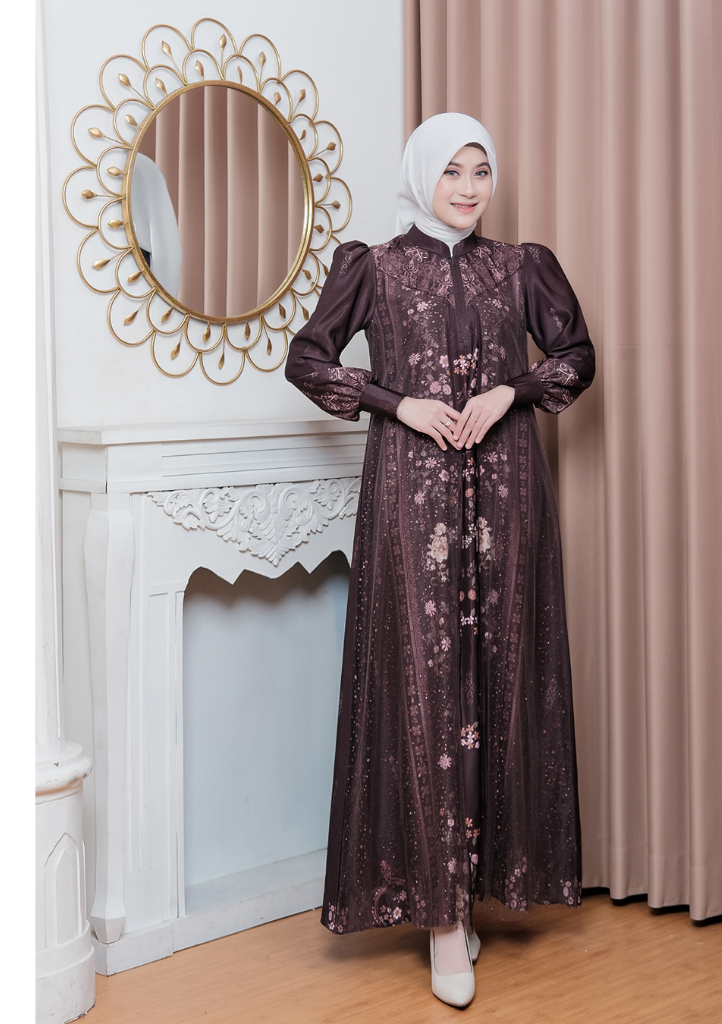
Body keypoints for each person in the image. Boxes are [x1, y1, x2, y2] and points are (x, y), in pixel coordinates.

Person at [284, 112, 595, 1008]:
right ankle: (441, 920)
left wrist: (510, 390)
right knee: (422, 686)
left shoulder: (521, 266)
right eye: (452, 170)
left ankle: (477, 889)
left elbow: (576, 357)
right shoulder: (374, 267)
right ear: (422, 174)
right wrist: (398, 404)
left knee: (499, 677)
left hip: (506, 493)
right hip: (411, 494)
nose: (467, 187)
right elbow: (307, 360)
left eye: (480, 170)